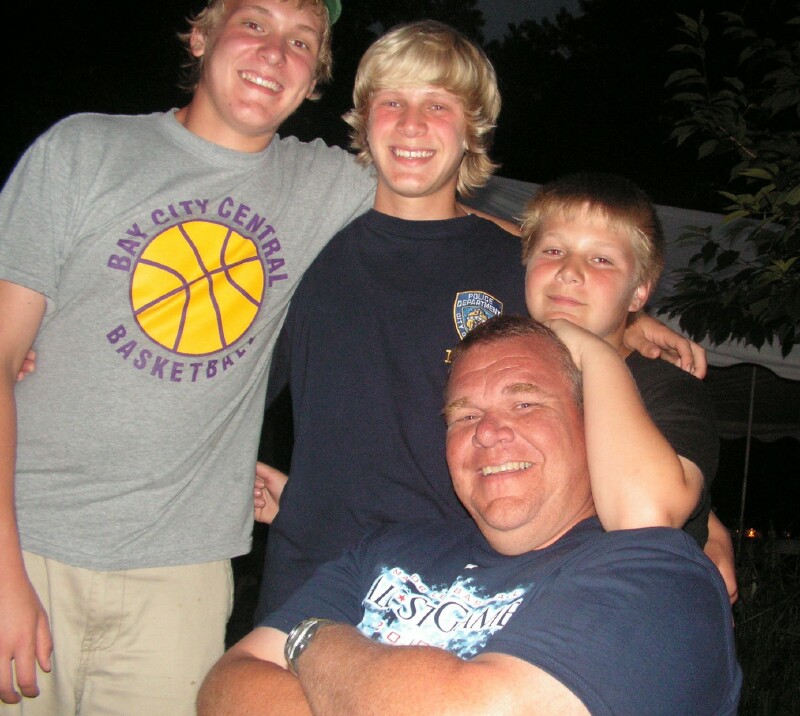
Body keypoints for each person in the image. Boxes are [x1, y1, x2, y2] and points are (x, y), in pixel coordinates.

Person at [252, 20, 725, 620]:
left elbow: (622, 415)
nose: (412, 124)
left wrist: (705, 522)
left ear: (473, 129)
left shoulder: (526, 272)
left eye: (438, 105)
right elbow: (224, 380)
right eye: (392, 102)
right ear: (364, 120)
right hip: (310, 581)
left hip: (465, 598)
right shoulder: (303, 251)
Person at [0, 1, 384, 712]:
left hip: (182, 575)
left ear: (314, 80)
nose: (275, 52)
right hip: (27, 541)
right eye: (254, 24)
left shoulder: (323, 184)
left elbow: (452, 208)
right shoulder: (84, 149)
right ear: (201, 37)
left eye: (301, 41)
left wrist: (585, 282)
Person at [198, 314, 742, 715]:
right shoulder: (386, 551)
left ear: (590, 422)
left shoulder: (659, 574)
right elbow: (225, 686)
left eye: (524, 403)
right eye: (464, 416)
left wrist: (310, 639)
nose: (487, 432)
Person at [520, 171, 737, 597]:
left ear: (639, 293)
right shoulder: (502, 373)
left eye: (601, 259)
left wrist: (593, 352)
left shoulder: (669, 388)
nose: (568, 271)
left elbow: (644, 519)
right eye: (554, 250)